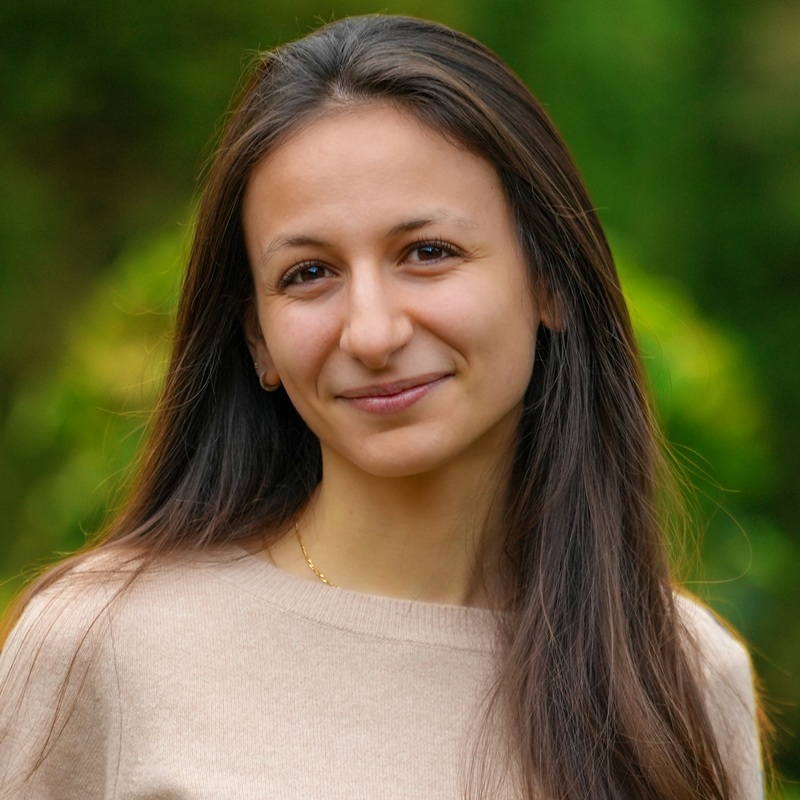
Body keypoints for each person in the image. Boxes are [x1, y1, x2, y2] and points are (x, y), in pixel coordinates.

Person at [0, 14, 763, 800]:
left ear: (551, 282)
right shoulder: (102, 645)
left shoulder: (683, 680)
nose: (371, 331)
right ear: (258, 340)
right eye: (308, 274)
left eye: (427, 253)